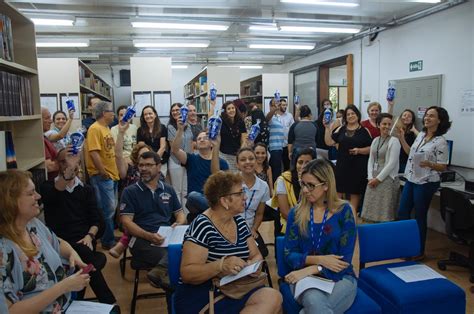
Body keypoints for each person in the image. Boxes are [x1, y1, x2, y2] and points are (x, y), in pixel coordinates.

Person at [174, 171, 282, 314]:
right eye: (240, 193)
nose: (245, 197)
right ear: (224, 201)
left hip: (235, 288)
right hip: (205, 293)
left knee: (273, 297)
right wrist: (221, 265)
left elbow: (256, 256)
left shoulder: (239, 221)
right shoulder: (202, 226)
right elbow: (188, 273)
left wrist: (253, 266)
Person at [0, 170, 90, 313]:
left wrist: (72, 253)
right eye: (30, 194)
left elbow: (58, 243)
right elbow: (9, 311)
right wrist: (65, 286)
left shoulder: (33, 225)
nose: (38, 196)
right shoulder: (3, 251)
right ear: (9, 201)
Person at [41, 148, 116, 304]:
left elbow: (96, 221)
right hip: (61, 243)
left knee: (84, 251)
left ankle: (76, 304)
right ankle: (108, 302)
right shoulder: (47, 187)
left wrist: (90, 236)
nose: (69, 165)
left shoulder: (86, 189)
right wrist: (69, 169)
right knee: (88, 257)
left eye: (72, 161)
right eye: (63, 162)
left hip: (85, 240)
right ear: (57, 164)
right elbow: (55, 193)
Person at [284, 159, 357, 313]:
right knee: (313, 298)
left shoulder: (344, 211)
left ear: (326, 185)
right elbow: (289, 255)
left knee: (313, 307)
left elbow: (343, 261)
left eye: (310, 185)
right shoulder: (296, 213)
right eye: (303, 184)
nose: (304, 190)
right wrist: (319, 260)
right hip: (303, 279)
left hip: (340, 277)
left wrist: (311, 268)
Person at [120, 151, 186, 288]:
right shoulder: (130, 191)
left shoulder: (168, 189)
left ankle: (161, 273)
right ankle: (165, 276)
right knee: (175, 257)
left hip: (166, 236)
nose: (143, 169)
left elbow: (180, 214)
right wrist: (149, 236)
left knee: (190, 249)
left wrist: (178, 223)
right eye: (141, 165)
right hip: (140, 239)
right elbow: (126, 223)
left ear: (158, 166)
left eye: (149, 165)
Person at [398, 106, 451, 260]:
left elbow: (443, 166)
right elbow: (410, 153)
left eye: (432, 116)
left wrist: (429, 163)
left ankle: (418, 251)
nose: (427, 118)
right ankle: (403, 245)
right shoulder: (420, 134)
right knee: (403, 212)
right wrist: (401, 138)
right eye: (427, 115)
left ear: (439, 120)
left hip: (426, 182)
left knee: (419, 216)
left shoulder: (440, 141)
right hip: (411, 178)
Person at [109, 121, 154, 258]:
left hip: (152, 210)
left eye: (148, 156)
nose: (145, 160)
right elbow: (117, 155)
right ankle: (127, 240)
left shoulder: (157, 173)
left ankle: (124, 241)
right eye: (142, 156)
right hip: (132, 210)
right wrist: (121, 133)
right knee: (136, 217)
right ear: (136, 158)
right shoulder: (129, 170)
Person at [171, 116, 229, 221]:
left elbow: (223, 184)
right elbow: (175, 150)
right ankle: (219, 212)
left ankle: (214, 212)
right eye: (199, 138)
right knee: (193, 196)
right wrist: (180, 130)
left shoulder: (222, 162)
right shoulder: (191, 159)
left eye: (205, 137)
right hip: (194, 202)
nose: (202, 139)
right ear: (196, 144)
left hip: (213, 201)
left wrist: (217, 146)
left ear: (212, 141)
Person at [324, 104, 372, 216]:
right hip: (342, 167)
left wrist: (359, 150)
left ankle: (352, 223)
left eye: (353, 113)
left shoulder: (365, 130)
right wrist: (327, 128)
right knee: (338, 195)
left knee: (354, 197)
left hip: (358, 168)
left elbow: (371, 149)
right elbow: (329, 142)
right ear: (345, 117)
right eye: (348, 114)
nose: (351, 116)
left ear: (357, 115)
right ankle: (336, 219)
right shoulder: (341, 129)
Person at [85, 101, 119, 250]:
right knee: (107, 209)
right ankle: (107, 240)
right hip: (102, 176)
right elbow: (93, 152)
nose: (114, 114)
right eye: (111, 111)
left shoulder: (106, 128)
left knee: (110, 209)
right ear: (104, 113)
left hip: (111, 175)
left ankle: (108, 236)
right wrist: (103, 172)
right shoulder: (94, 129)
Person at [361, 113, 401, 222]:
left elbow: (391, 163)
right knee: (371, 210)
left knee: (384, 212)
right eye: (384, 124)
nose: (387, 126)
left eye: (389, 124)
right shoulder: (375, 140)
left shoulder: (394, 141)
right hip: (373, 177)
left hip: (386, 178)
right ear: (378, 125)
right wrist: (370, 177)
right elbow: (371, 159)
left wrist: (378, 179)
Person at [271, 148, 315, 236]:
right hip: (290, 223)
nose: (303, 166)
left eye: (308, 163)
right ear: (295, 163)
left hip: (312, 222)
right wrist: (302, 227)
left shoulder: (317, 180)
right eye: (300, 162)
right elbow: (285, 212)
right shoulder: (284, 179)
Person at [236, 148, 271, 257]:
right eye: (243, 159)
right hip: (231, 227)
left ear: (256, 162)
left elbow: (259, 214)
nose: (247, 162)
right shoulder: (231, 181)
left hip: (249, 227)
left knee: (263, 253)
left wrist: (254, 229)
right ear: (237, 164)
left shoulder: (263, 186)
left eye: (251, 159)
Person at [168, 103, 194, 206]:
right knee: (177, 191)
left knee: (186, 190)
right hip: (176, 162)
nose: (175, 112)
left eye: (177, 110)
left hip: (188, 161)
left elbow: (191, 142)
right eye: (173, 110)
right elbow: (173, 147)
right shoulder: (170, 127)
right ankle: (179, 216)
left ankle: (187, 215)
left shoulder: (188, 126)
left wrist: (191, 158)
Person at [136, 105, 168, 177]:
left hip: (160, 161)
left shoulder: (162, 128)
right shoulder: (140, 130)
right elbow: (142, 147)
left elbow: (162, 147)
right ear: (143, 117)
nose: (148, 116)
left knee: (160, 183)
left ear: (155, 114)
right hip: (146, 163)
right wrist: (149, 162)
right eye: (145, 114)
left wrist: (154, 160)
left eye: (150, 113)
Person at [219, 101, 247, 171]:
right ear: (225, 111)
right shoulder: (221, 122)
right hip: (224, 155)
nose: (231, 110)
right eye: (229, 109)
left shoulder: (240, 121)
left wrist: (241, 151)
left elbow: (244, 138)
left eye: (233, 108)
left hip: (237, 155)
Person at [266, 99, 286, 183]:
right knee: (275, 172)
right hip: (273, 148)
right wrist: (274, 109)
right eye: (274, 105)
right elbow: (267, 118)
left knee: (278, 171)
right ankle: (274, 191)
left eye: (277, 105)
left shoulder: (278, 117)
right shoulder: (270, 117)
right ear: (270, 106)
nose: (276, 106)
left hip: (280, 148)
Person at [275, 99, 294, 171]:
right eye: (283, 105)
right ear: (279, 105)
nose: (285, 107)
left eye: (286, 105)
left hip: (286, 145)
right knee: (277, 167)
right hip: (277, 145)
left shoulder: (289, 116)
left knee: (287, 166)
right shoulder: (274, 116)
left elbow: (292, 129)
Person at [42, 107, 59, 181]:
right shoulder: (39, 140)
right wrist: (68, 162)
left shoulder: (44, 137)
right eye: (47, 118)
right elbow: (49, 167)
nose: (51, 121)